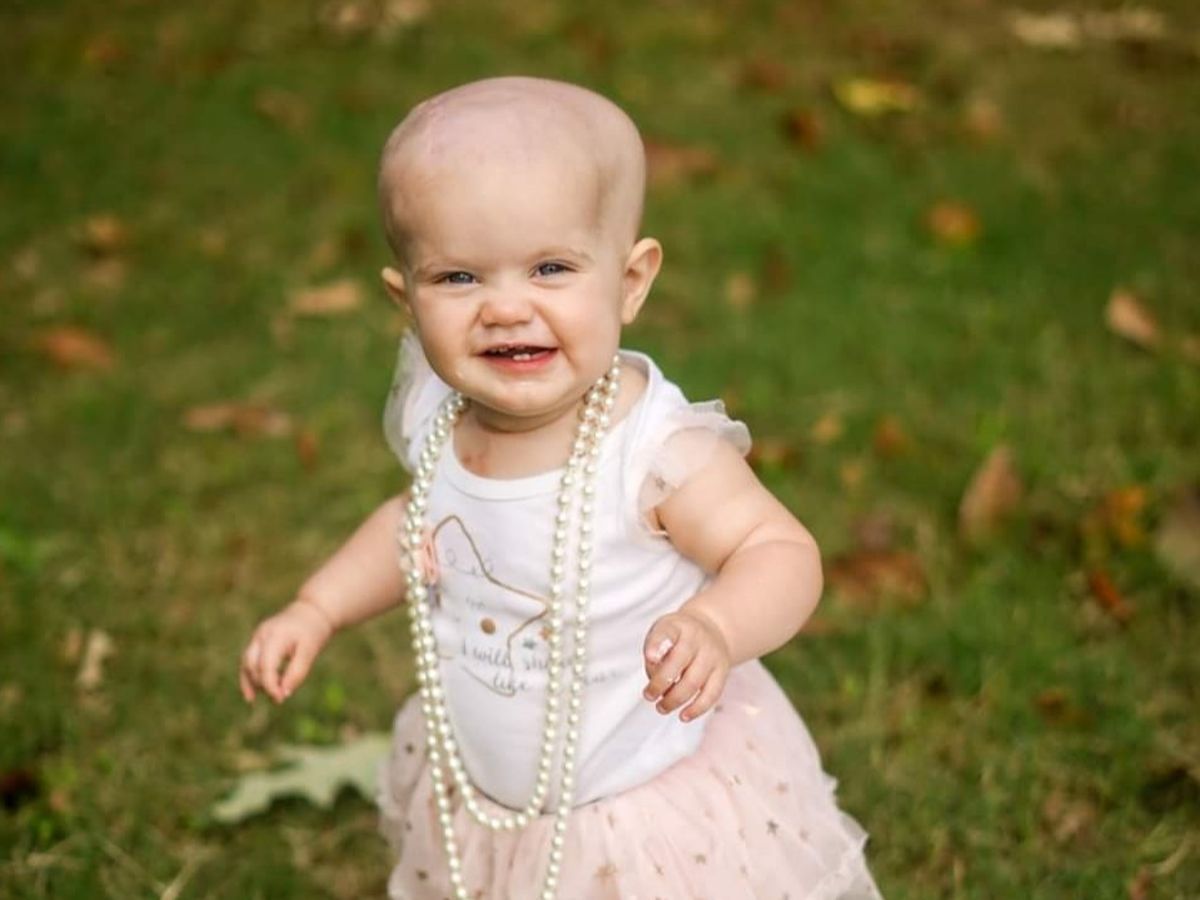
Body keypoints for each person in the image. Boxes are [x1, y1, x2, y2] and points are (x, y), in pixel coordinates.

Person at [239, 76, 881, 900]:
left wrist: (716, 626)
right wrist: (317, 607)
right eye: (459, 279)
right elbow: (413, 520)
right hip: (492, 782)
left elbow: (778, 549)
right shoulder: (440, 418)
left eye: (550, 268)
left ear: (630, 280)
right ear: (406, 300)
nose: (506, 309)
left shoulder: (650, 453)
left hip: (639, 802)